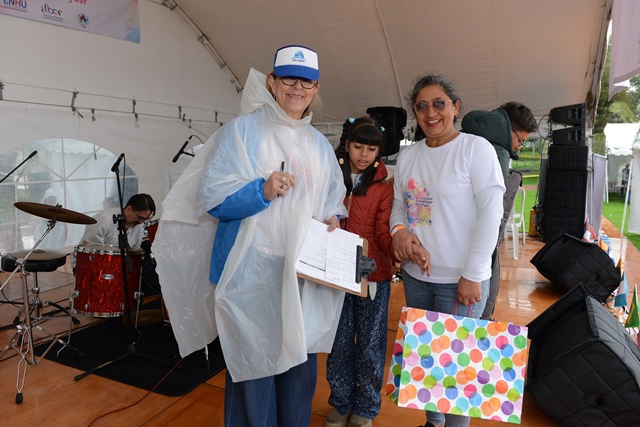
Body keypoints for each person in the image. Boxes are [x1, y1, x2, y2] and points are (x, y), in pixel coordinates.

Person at [154, 45, 347, 427]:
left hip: (301, 274)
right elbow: (212, 199)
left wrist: (333, 218)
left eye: (306, 81)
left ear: (315, 88)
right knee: (253, 368)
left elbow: (332, 199)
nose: (297, 88)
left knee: (298, 366)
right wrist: (262, 189)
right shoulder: (242, 132)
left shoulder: (318, 145)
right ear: (272, 82)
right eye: (288, 79)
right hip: (250, 274)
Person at [390, 74, 505, 427]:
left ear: (456, 107)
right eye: (422, 106)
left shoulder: (475, 149)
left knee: (456, 376)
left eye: (439, 104)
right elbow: (399, 206)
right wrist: (399, 233)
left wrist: (473, 274)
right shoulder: (409, 155)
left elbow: (492, 213)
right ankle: (433, 422)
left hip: (460, 282)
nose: (431, 113)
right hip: (417, 278)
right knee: (427, 364)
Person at [325, 117, 425, 427]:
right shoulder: (331, 177)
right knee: (338, 342)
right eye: (358, 147)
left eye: (371, 149)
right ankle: (341, 402)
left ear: (379, 152)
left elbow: (383, 229)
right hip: (335, 275)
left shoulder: (385, 185)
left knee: (370, 344)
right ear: (347, 145)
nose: (364, 155)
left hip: (373, 276)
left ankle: (367, 407)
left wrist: (397, 248)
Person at [461, 101, 538, 320]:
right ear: (509, 129)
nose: (519, 147)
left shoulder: (468, 135)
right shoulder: (499, 151)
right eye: (520, 140)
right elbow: (495, 208)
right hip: (477, 234)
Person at [79, 193, 155, 249]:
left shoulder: (139, 225)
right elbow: (89, 252)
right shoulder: (103, 221)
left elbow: (135, 251)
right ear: (129, 209)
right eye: (140, 217)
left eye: (145, 219)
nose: (141, 222)